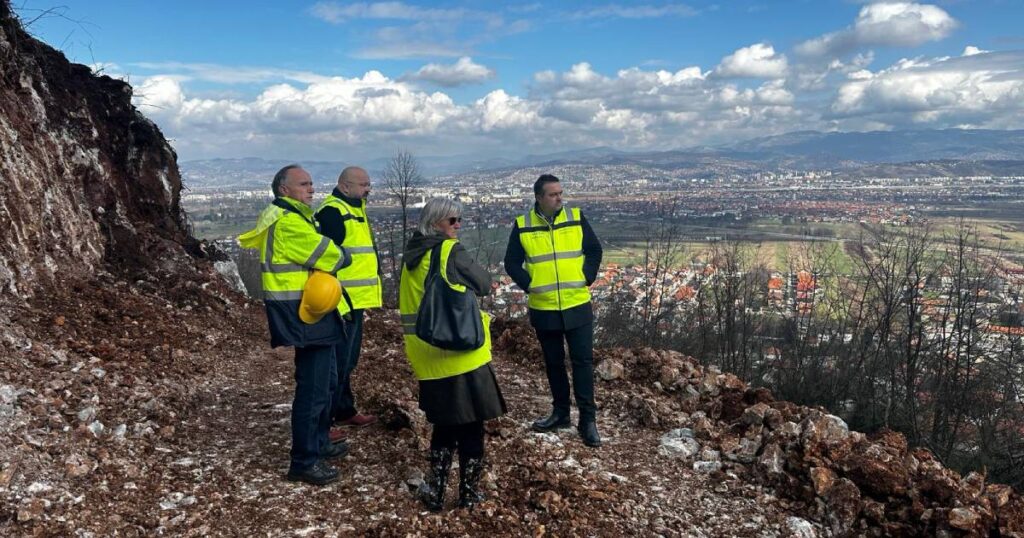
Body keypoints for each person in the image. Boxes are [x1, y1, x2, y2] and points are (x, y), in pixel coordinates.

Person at [238, 164, 352, 486]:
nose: (311, 189)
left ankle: (318, 444)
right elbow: (334, 257)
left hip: (311, 311)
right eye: (303, 184)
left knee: (326, 382)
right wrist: (339, 253)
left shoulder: (295, 218)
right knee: (314, 389)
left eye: (312, 183)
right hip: (305, 314)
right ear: (284, 190)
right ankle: (304, 461)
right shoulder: (289, 224)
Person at [399, 197, 506, 511]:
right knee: (471, 426)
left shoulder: (412, 257)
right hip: (459, 352)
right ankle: (468, 494)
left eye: (459, 220)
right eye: (452, 221)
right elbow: (483, 283)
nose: (458, 226)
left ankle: (436, 491)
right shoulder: (448, 250)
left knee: (444, 426)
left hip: (425, 355)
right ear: (436, 224)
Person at [503, 174, 604, 447]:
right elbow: (511, 263)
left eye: (560, 193)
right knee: (554, 364)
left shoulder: (575, 217)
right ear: (538, 198)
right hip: (545, 307)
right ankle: (560, 413)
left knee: (582, 363)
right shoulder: (523, 226)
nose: (559, 198)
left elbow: (594, 249)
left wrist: (587, 276)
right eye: (553, 194)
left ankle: (587, 420)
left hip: (576, 303)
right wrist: (530, 285)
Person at [316, 166, 381, 434]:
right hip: (342, 302)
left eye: (369, 184)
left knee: (349, 360)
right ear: (345, 186)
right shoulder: (333, 212)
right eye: (363, 184)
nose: (368, 189)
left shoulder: (355, 210)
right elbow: (324, 259)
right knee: (339, 362)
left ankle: (344, 410)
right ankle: (326, 420)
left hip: (356, 300)